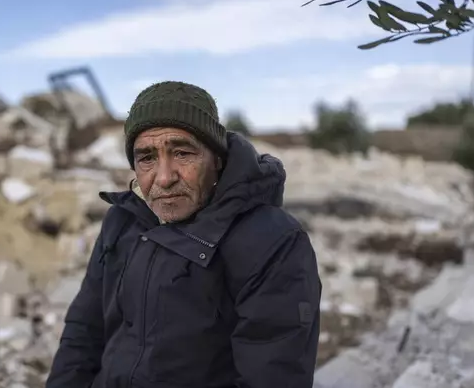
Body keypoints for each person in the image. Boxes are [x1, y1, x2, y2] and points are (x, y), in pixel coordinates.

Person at [46, 81, 322, 388]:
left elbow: (272, 377)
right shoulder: (122, 221)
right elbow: (83, 333)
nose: (164, 178)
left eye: (182, 153)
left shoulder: (273, 241)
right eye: (147, 158)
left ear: (216, 159)